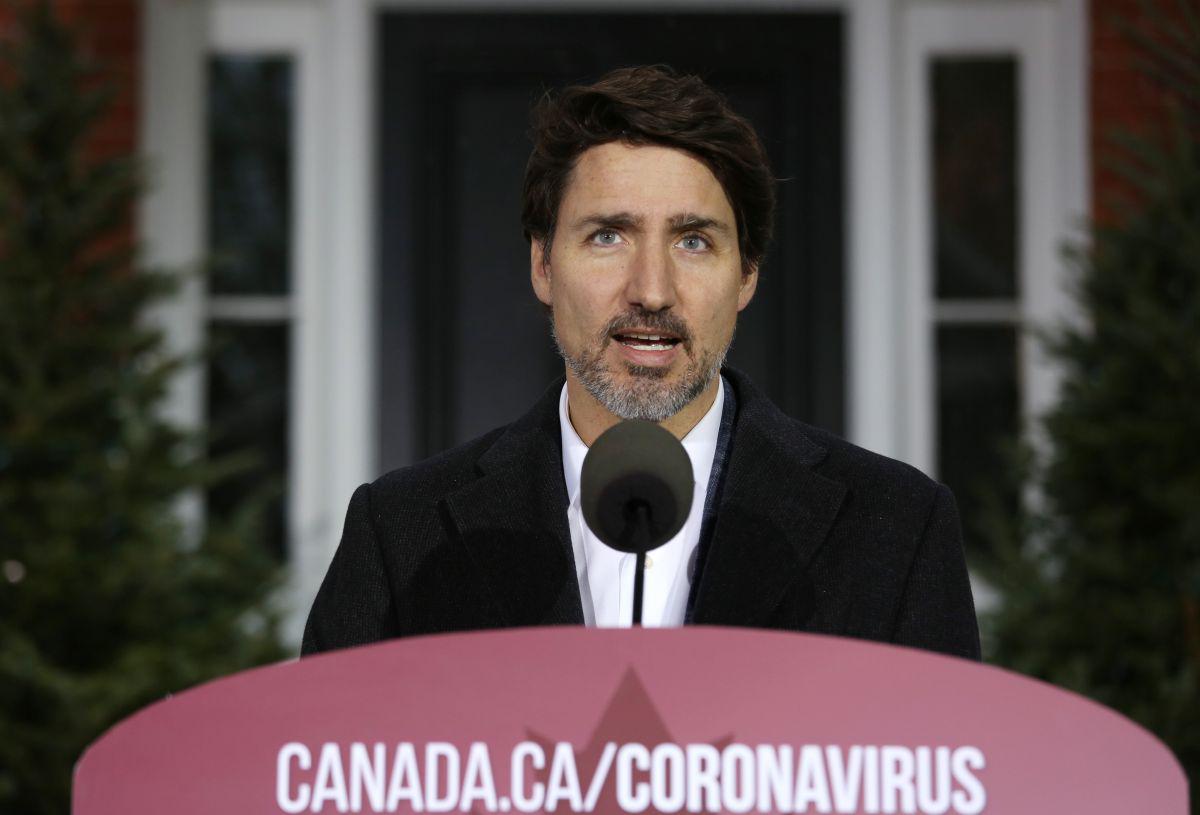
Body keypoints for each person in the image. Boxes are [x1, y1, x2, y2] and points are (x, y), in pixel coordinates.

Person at [302, 66, 980, 659]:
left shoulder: (897, 529)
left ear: (746, 274)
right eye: (607, 236)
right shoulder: (398, 534)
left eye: (692, 241)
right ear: (542, 264)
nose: (651, 290)